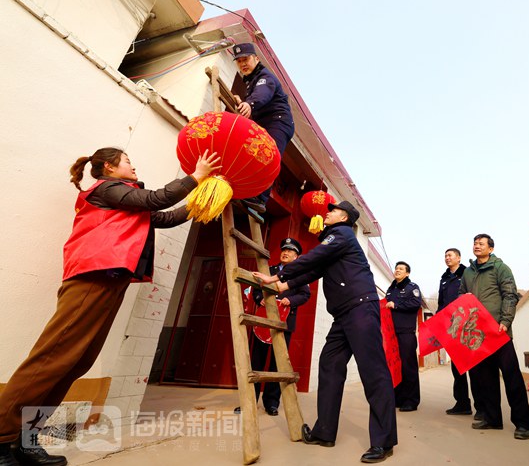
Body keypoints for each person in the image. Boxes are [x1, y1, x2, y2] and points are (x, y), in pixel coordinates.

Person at [0, 148, 220, 466]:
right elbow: (155, 200)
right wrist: (195, 177)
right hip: (92, 277)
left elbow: (165, 217)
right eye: (128, 161)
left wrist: (200, 203)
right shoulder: (107, 189)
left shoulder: (127, 199)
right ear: (109, 167)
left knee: (76, 362)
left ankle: (26, 438)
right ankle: (2, 436)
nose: (133, 165)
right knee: (52, 358)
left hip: (110, 280)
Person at [252, 201, 397, 463]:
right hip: (343, 315)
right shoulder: (335, 243)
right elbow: (316, 269)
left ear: (344, 217)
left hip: (361, 311)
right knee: (329, 365)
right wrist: (284, 285)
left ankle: (384, 441)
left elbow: (314, 257)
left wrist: (276, 277)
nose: (327, 212)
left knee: (373, 373)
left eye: (332, 210)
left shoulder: (341, 234)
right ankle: (325, 432)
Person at [459, 234, 529, 440]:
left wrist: (506, 321)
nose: (476, 246)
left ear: (491, 249)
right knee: (486, 379)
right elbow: (460, 295)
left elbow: (510, 295)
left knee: (512, 378)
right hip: (478, 335)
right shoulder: (467, 272)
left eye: (481, 244)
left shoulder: (501, 268)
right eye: (474, 243)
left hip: (498, 331)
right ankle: (492, 419)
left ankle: (523, 423)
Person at [234, 238, 310, 416]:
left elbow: (305, 295)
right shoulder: (269, 271)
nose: (286, 253)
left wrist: (290, 300)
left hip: (284, 324)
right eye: (284, 250)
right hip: (263, 321)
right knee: (256, 362)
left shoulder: (300, 274)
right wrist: (260, 299)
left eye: (290, 251)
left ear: (297, 256)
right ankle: (249, 402)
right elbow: (257, 289)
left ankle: (272, 403)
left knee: (278, 364)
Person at [232, 42, 295, 214]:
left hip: (278, 122)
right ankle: (252, 194)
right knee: (253, 154)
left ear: (256, 58)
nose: (243, 64)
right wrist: (242, 102)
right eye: (239, 61)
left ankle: (260, 199)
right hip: (266, 124)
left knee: (268, 156)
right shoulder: (251, 80)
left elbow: (262, 94)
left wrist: (249, 104)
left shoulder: (264, 77)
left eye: (246, 59)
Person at [437, 248, 478, 416]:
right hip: (452, 327)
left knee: (474, 366)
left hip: (469, 324)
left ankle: (482, 407)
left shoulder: (468, 273)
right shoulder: (444, 278)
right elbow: (441, 303)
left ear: (459, 258)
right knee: (457, 367)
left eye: (450, 255)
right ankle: (462, 403)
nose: (447, 258)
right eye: (445, 255)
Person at [384, 261, 422, 412]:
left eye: (401, 269)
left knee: (408, 367)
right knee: (395, 366)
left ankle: (411, 401)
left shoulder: (412, 288)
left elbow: (415, 303)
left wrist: (397, 305)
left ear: (407, 273)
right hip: (391, 334)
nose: (397, 270)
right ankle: (398, 398)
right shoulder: (390, 289)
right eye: (396, 268)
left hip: (406, 333)